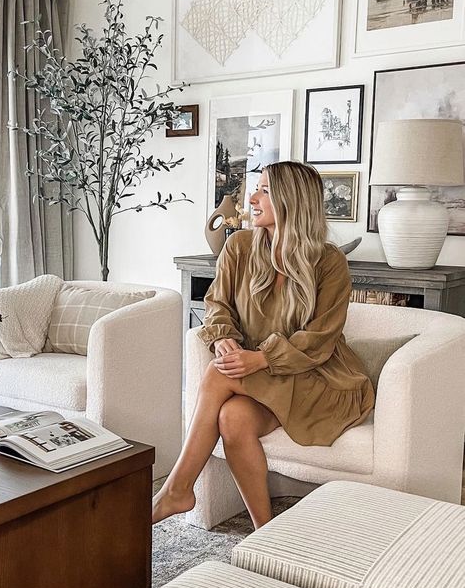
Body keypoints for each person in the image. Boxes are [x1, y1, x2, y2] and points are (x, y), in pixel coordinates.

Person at [152, 161, 374, 529]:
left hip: (318, 380)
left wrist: (260, 358)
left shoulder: (329, 262)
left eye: (265, 191)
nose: (251, 198)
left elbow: (319, 341)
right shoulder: (238, 246)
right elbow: (216, 305)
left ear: (292, 200)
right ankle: (264, 531)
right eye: (255, 188)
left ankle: (178, 489)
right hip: (268, 380)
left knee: (217, 374)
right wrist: (223, 336)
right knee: (232, 418)